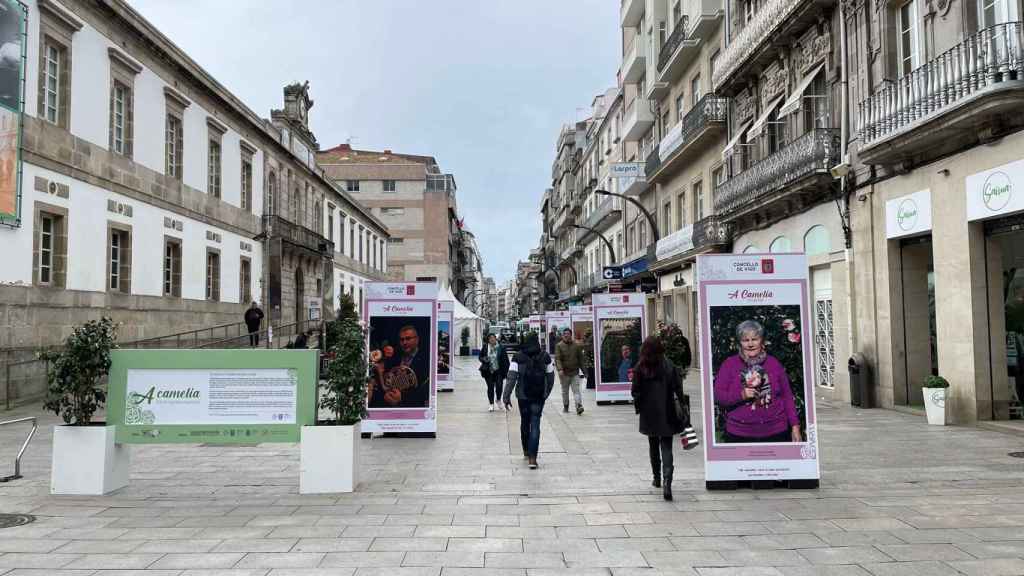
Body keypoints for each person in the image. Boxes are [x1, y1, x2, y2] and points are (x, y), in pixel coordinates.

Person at [714, 320, 801, 443]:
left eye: (754, 339)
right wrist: (741, 395)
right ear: (740, 343)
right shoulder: (729, 364)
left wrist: (795, 426)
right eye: (745, 340)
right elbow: (718, 396)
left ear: (762, 341)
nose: (750, 344)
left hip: (776, 432)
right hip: (740, 434)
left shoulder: (774, 364)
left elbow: (787, 397)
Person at [631, 336, 685, 500]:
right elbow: (678, 389)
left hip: (649, 413)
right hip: (667, 411)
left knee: (653, 445)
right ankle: (667, 481)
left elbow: (635, 391)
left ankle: (656, 478)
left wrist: (639, 405)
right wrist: (681, 406)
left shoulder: (641, 366)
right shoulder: (669, 365)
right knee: (666, 446)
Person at [503, 332, 554, 469]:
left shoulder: (518, 357)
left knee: (525, 422)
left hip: (523, 396)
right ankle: (533, 458)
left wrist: (506, 396)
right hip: (538, 396)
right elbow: (550, 377)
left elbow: (511, 377)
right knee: (535, 424)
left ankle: (526, 449)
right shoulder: (545, 356)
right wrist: (546, 393)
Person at [374, 325, 430, 408]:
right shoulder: (395, 357)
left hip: (412, 407)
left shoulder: (427, 360)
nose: (404, 342)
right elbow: (386, 380)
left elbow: (425, 391)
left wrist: (402, 398)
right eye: (401, 340)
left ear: (417, 340)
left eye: (408, 339)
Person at [554, 328, 585, 415]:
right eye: (565, 334)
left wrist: (585, 372)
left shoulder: (576, 346)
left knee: (576, 390)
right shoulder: (559, 346)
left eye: (568, 334)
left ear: (571, 335)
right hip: (564, 373)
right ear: (562, 336)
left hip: (575, 372)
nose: (566, 335)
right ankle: (566, 406)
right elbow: (558, 359)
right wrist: (560, 369)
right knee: (565, 391)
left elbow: (581, 360)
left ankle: (579, 406)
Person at [479, 334, 510, 411]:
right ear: (488, 340)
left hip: (498, 370)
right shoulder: (485, 347)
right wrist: (484, 359)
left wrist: (507, 371)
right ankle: (491, 404)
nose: (492, 339)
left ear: (496, 339)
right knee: (490, 387)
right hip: (488, 370)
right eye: (490, 338)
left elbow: (506, 360)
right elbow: (480, 357)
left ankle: (498, 400)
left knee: (499, 386)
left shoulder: (501, 347)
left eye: (493, 338)